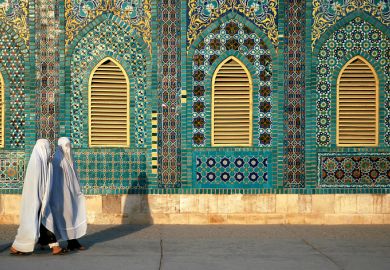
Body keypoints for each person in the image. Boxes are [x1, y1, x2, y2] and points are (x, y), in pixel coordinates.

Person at [10, 139, 66, 255]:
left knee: (41, 222)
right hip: (36, 201)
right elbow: (35, 185)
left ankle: (18, 247)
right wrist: (39, 200)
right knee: (36, 222)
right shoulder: (36, 163)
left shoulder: (44, 162)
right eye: (46, 148)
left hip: (42, 199)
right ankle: (53, 246)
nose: (48, 150)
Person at [42, 137, 87, 251]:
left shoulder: (69, 158)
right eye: (66, 145)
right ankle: (56, 243)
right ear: (60, 146)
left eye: (69, 145)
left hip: (70, 195)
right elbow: (55, 180)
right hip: (59, 196)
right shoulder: (57, 159)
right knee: (63, 218)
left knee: (71, 218)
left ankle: (72, 242)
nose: (68, 148)